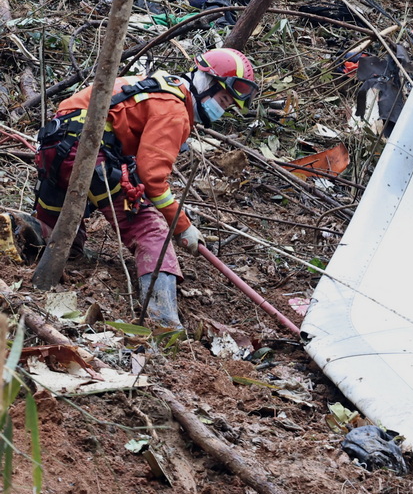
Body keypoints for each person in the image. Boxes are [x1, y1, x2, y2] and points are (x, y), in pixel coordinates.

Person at [24, 48, 258, 329]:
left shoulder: (157, 85)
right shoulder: (173, 110)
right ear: (206, 83)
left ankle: (19, 226)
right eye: (222, 100)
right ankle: (164, 321)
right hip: (86, 150)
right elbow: (153, 178)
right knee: (151, 231)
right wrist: (182, 226)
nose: (222, 109)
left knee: (64, 234)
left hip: (55, 145)